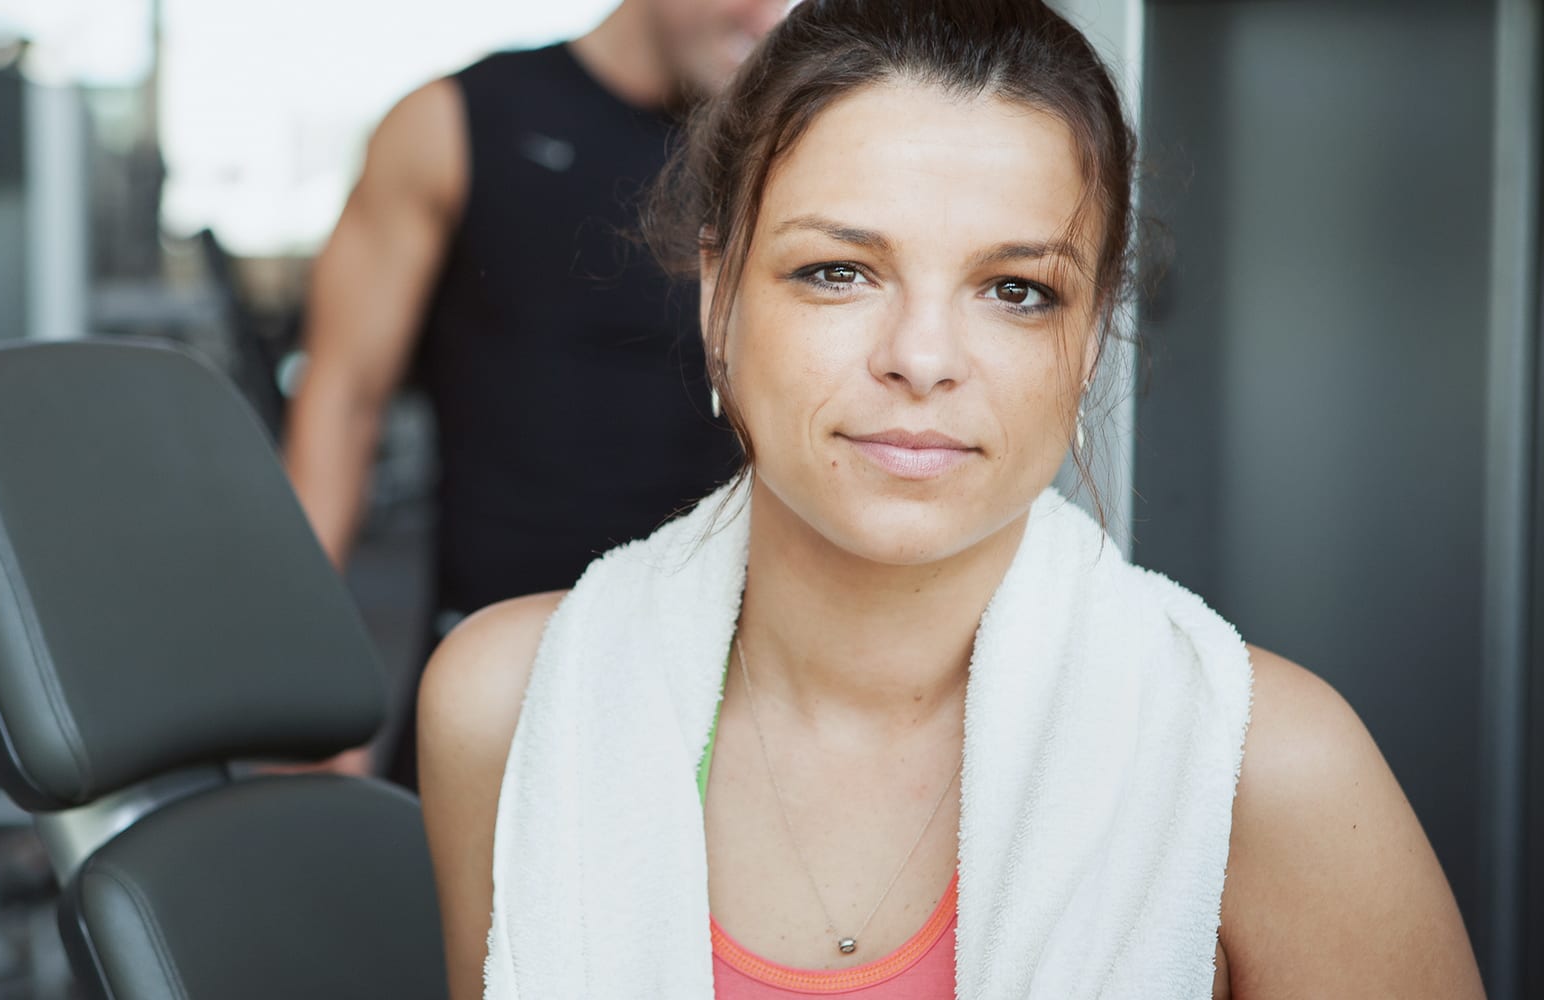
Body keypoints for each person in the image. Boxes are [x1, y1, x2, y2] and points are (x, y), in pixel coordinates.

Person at [416, 2, 1487, 998]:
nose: (921, 359)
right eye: (838, 271)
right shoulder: (506, 706)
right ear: (717, 300)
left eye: (1015, 290)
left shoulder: (1267, 768)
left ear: (1086, 344)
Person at [283, 0, 789, 784]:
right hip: (492, 686)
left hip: (728, 692)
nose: (768, 15)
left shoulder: (786, 155)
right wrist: (299, 677)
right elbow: (342, 398)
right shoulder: (454, 122)